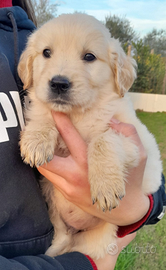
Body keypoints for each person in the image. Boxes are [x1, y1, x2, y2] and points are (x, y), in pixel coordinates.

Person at [0, 1, 165, 269]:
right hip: (53, 239)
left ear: (117, 70)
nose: (60, 76)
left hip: (96, 237)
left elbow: (139, 151)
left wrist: (140, 208)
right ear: (28, 65)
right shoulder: (38, 100)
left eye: (88, 57)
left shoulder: (111, 105)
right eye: (47, 53)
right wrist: (42, 129)